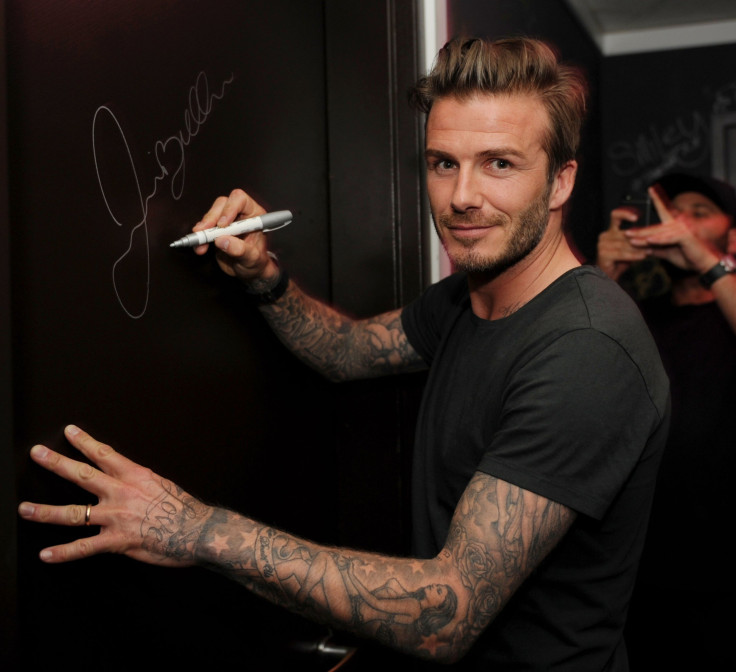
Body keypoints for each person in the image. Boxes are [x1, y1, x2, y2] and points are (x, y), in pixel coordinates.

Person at [18, 37, 669, 670]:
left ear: (560, 183)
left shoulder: (588, 351)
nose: (462, 196)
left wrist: (193, 530)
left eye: (499, 163)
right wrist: (261, 274)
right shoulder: (470, 299)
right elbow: (347, 351)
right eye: (444, 163)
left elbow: (448, 612)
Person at [596, 173, 736, 669]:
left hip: (725, 575)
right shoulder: (635, 315)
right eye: (672, 213)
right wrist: (602, 276)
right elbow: (574, 376)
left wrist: (704, 259)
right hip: (641, 572)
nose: (680, 223)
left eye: (699, 212)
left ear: (733, 237)